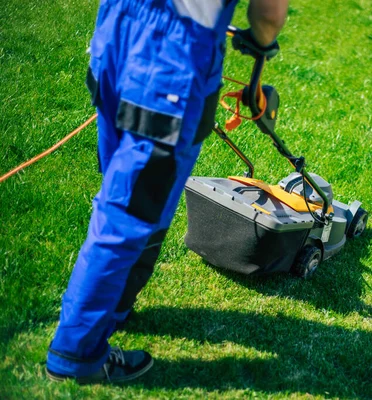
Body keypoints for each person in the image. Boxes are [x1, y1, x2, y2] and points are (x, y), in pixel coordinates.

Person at [46, 0, 288, 384]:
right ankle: (75, 354)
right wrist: (261, 40)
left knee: (131, 195)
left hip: (114, 37)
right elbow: (268, 16)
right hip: (170, 67)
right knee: (126, 215)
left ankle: (116, 305)